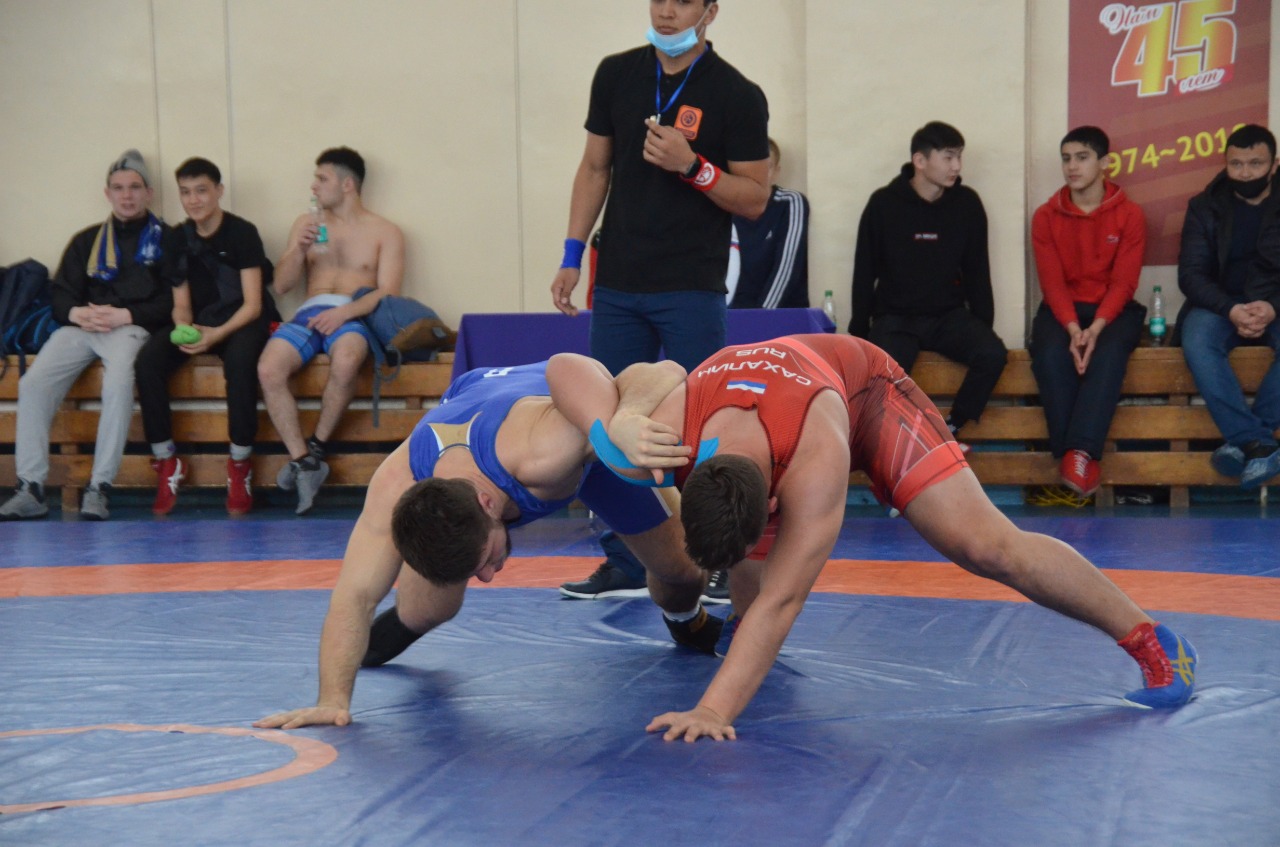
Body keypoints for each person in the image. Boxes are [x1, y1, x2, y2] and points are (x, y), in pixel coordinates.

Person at [546, 335, 1198, 742]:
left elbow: (785, 600)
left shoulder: (813, 463)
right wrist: (620, 419)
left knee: (984, 545)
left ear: (775, 503)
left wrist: (714, 711)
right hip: (757, 419)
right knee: (749, 592)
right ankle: (736, 627)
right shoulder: (666, 434)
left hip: (865, 395)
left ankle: (1153, 639)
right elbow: (579, 365)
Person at [253, 361, 719, 730]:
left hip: (577, 440)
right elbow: (353, 595)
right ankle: (375, 645)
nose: (492, 576)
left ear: (487, 502)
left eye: (487, 560)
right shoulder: (397, 484)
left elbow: (658, 370)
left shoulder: (547, 446)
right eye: (482, 570)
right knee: (428, 608)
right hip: (475, 406)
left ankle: (683, 619)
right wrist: (332, 699)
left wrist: (627, 419)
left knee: (683, 572)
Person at [551, 0, 771, 600]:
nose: (667, 11)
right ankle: (626, 559)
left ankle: (715, 555)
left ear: (710, 11)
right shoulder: (616, 73)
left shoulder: (737, 93)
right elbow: (594, 169)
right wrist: (571, 255)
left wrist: (693, 167)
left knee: (703, 422)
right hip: (619, 280)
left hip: (691, 284)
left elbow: (755, 198)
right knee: (610, 423)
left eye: (683, 0)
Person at [0, 150, 171, 522]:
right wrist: (78, 313)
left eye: (134, 187)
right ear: (107, 194)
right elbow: (62, 295)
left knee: (119, 383)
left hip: (131, 327)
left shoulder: (166, 241)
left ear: (149, 193)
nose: (127, 195)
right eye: (118, 188)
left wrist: (127, 314)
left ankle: (99, 487)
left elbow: (172, 303)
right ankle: (30, 487)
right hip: (84, 327)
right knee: (33, 384)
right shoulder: (87, 240)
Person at [257, 147, 405, 515]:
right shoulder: (306, 224)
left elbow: (389, 291)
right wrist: (297, 249)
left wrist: (346, 313)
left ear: (347, 184)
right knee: (268, 369)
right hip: (309, 312)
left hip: (353, 313)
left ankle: (316, 448)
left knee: (348, 358)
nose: (314, 186)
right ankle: (303, 461)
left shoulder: (385, 231)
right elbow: (282, 286)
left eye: (322, 179)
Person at [134, 157, 278, 516]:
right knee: (148, 360)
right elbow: (180, 303)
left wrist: (216, 336)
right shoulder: (176, 237)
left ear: (219, 191)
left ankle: (240, 464)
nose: (193, 200)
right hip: (202, 322)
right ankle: (167, 460)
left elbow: (254, 305)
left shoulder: (243, 232)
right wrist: (185, 328)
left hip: (241, 321)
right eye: (186, 192)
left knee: (241, 362)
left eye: (201, 191)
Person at [849, 121, 1007, 445]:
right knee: (883, 376)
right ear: (920, 160)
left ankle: (952, 428)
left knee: (993, 353)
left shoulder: (967, 204)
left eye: (959, 157)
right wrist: (860, 333)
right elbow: (864, 271)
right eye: (948, 157)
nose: (957, 166)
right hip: (895, 319)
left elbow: (978, 270)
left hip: (947, 317)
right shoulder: (883, 203)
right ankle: (899, 443)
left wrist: (982, 326)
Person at [1029, 127, 1147, 497]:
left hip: (1112, 311)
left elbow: (1124, 283)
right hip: (1063, 309)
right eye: (1066, 159)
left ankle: (1077, 452)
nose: (1072, 167)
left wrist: (1093, 331)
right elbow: (1052, 284)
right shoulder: (1045, 216)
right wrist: (1072, 330)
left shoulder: (1130, 214)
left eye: (1082, 158)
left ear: (1105, 163)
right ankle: (1077, 456)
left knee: (1109, 353)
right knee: (1050, 354)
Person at [1177, 123, 1280, 489]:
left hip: (1275, 306)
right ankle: (1258, 442)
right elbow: (1191, 275)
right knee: (1196, 337)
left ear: (1274, 165)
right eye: (1236, 164)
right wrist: (1231, 309)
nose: (1245, 173)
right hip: (1221, 307)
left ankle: (1246, 442)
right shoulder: (1204, 206)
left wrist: (1272, 307)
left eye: (1255, 164)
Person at [728, 138, 810, 309]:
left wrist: (763, 315)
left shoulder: (789, 202)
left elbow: (787, 268)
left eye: (768, 166)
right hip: (729, 313)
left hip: (777, 313)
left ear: (776, 172)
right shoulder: (725, 205)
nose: (760, 173)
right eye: (753, 166)